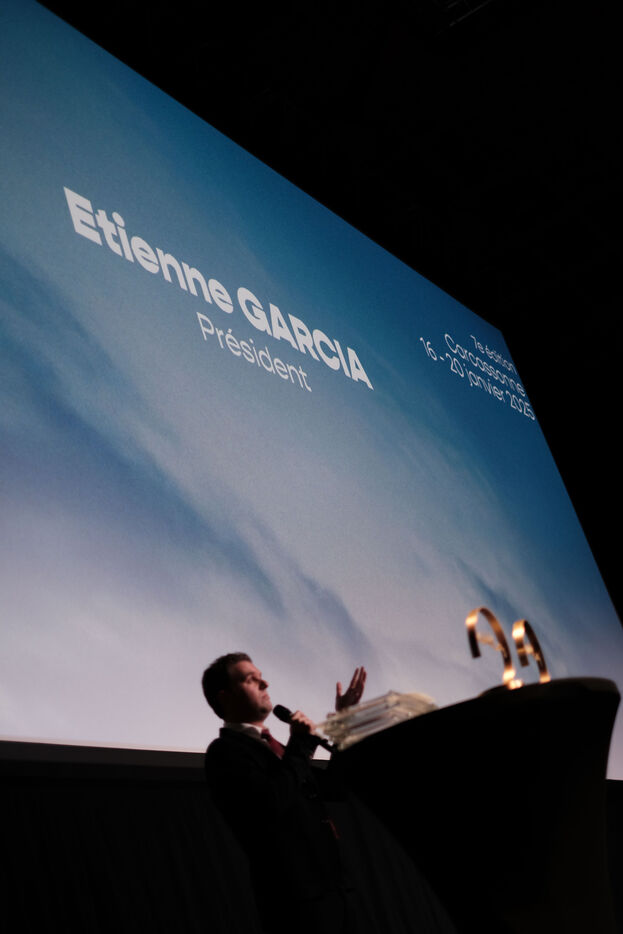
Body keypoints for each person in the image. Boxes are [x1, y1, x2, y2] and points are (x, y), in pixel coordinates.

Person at [202, 653, 366, 934]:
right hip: (296, 907)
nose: (265, 683)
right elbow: (270, 803)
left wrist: (343, 722)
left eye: (261, 676)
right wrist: (300, 744)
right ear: (225, 697)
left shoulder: (277, 750)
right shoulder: (224, 753)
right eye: (250, 679)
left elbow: (335, 788)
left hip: (336, 894)